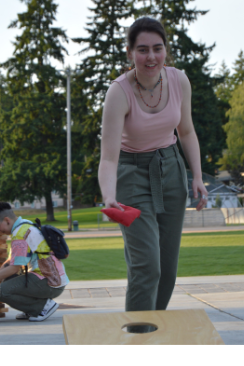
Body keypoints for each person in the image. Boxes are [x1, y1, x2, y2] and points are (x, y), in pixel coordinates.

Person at [99, 16, 208, 311]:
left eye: (157, 49)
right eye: (143, 49)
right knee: (147, 265)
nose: (151, 57)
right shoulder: (118, 92)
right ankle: (137, 338)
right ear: (130, 52)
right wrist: (109, 196)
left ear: (166, 50)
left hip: (171, 169)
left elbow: (186, 131)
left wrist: (197, 177)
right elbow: (108, 157)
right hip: (131, 174)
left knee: (167, 270)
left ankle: (153, 332)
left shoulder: (178, 80)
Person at [0, 202, 68, 323]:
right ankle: (31, 308)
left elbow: (14, 268)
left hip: (49, 282)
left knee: (1, 291)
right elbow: (10, 262)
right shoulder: (24, 225)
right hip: (52, 279)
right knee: (6, 282)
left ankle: (43, 307)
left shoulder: (20, 234)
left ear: (6, 220)